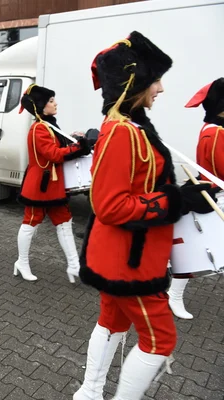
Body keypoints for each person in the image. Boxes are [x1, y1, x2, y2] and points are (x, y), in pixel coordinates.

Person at [75, 31, 217, 400]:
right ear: (133, 83)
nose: (162, 89)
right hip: (129, 262)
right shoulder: (123, 132)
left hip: (123, 255)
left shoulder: (132, 126)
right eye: (156, 79)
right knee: (160, 339)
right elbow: (109, 205)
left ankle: (89, 393)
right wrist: (176, 201)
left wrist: (187, 195)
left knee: (112, 321)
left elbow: (140, 189)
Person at [14, 84, 91, 283]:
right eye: (50, 101)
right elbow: (54, 154)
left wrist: (75, 141)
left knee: (64, 223)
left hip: (53, 185)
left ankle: (74, 266)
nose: (55, 103)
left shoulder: (49, 125)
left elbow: (58, 149)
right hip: (40, 186)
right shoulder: (39, 128)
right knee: (31, 223)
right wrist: (79, 148)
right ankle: (22, 262)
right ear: (41, 106)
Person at [170, 77, 224, 319]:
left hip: (215, 195)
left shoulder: (215, 128)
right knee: (196, 253)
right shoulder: (215, 133)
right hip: (214, 198)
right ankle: (174, 295)